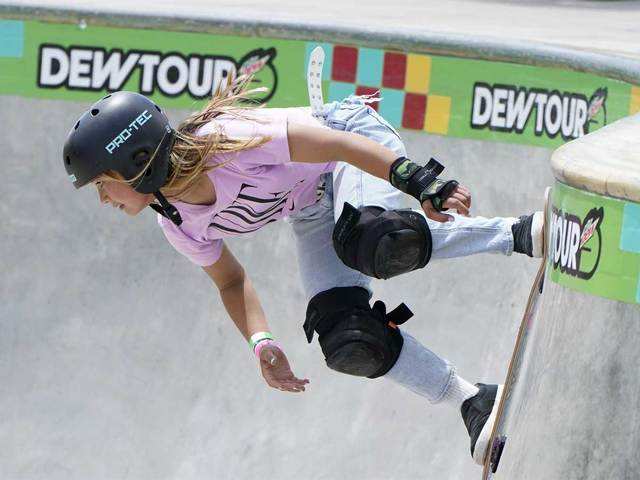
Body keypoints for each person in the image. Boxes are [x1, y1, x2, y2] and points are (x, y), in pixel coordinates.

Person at [62, 79, 544, 466]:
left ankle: (520, 233)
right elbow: (231, 280)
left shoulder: (227, 141)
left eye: (104, 186)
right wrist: (261, 340)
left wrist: (416, 179)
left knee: (371, 240)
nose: (105, 200)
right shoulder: (178, 224)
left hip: (350, 142)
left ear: (137, 163)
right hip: (310, 207)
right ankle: (471, 399)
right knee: (345, 334)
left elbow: (338, 143)